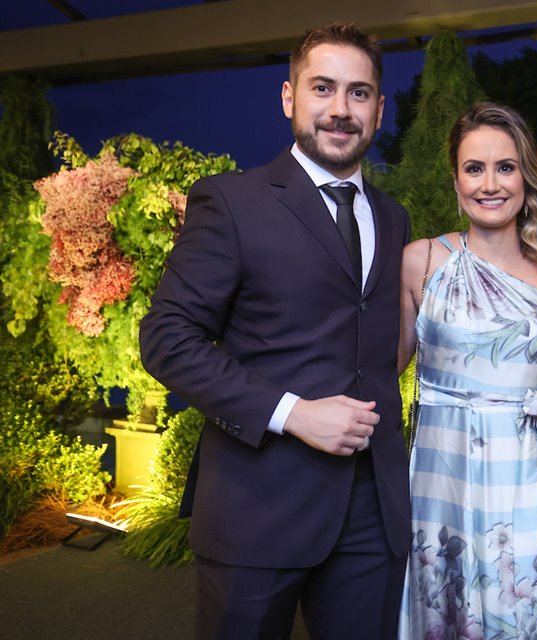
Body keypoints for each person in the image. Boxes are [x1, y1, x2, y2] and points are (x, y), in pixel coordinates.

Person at [139, 21, 412, 639]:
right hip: (256, 509)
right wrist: (292, 412)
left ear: (379, 108)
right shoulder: (232, 201)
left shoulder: (395, 218)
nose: (340, 110)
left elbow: (374, 342)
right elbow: (167, 336)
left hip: (372, 513)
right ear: (289, 97)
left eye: (359, 93)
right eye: (322, 88)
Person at [396, 102, 537, 639]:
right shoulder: (421, 261)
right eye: (474, 168)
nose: (490, 183)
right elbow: (378, 367)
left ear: (526, 176)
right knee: (443, 608)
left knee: (524, 608)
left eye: (505, 167)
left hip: (526, 478)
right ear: (456, 179)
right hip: (441, 474)